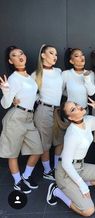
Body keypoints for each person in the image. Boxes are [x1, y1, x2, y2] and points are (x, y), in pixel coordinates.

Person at [46, 98, 95, 217]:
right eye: (73, 109)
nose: (78, 107)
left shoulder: (88, 121)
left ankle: (77, 185)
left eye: (76, 105)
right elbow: (66, 164)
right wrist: (82, 185)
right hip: (65, 173)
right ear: (70, 118)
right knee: (88, 211)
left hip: (80, 166)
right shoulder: (72, 133)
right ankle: (56, 191)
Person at [0, 46, 43, 194]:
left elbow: (31, 96)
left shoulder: (29, 77)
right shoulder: (12, 78)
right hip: (15, 118)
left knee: (37, 149)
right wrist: (6, 91)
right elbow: (5, 104)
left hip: (29, 118)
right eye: (14, 55)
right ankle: (18, 181)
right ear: (10, 61)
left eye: (21, 53)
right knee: (13, 153)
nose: (19, 56)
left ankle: (26, 176)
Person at [53, 48, 95, 153]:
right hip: (70, 114)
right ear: (71, 61)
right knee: (65, 142)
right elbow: (60, 91)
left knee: (82, 143)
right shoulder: (66, 74)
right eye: (77, 56)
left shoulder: (90, 74)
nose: (81, 57)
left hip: (84, 113)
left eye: (82, 55)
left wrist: (86, 79)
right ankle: (56, 166)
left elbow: (91, 92)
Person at [31, 44, 63, 180]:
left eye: (56, 54)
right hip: (44, 111)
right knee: (45, 144)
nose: (55, 56)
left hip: (58, 110)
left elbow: (61, 89)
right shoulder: (36, 74)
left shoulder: (59, 71)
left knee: (60, 141)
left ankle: (56, 169)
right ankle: (47, 171)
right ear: (43, 55)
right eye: (51, 53)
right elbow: (30, 93)